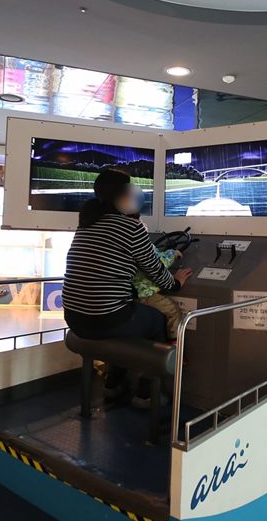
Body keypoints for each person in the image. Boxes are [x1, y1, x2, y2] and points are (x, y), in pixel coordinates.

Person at [62, 169, 192, 405]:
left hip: (74, 317)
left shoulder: (87, 224)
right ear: (120, 195)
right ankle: (146, 394)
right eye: (129, 189)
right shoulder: (131, 227)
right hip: (104, 319)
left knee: (124, 321)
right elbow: (155, 270)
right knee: (157, 320)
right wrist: (176, 283)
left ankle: (113, 384)